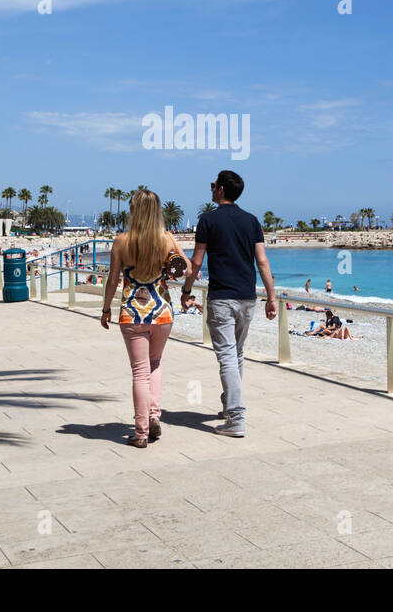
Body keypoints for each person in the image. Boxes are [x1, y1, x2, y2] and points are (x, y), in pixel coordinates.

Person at [181, 170, 278, 438]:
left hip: (222, 297)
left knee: (227, 356)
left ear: (221, 189)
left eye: (213, 185)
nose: (211, 189)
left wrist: (186, 290)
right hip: (247, 297)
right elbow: (262, 261)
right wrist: (271, 297)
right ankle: (229, 406)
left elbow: (197, 261)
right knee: (236, 354)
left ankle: (236, 417)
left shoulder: (208, 220)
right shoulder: (251, 221)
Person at [100, 189, 192, 448]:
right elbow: (189, 269)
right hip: (162, 313)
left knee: (139, 372)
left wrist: (106, 309)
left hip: (132, 314)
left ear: (133, 211)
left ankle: (140, 432)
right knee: (155, 364)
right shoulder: (167, 239)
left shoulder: (121, 241)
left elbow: (112, 280)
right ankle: (153, 416)